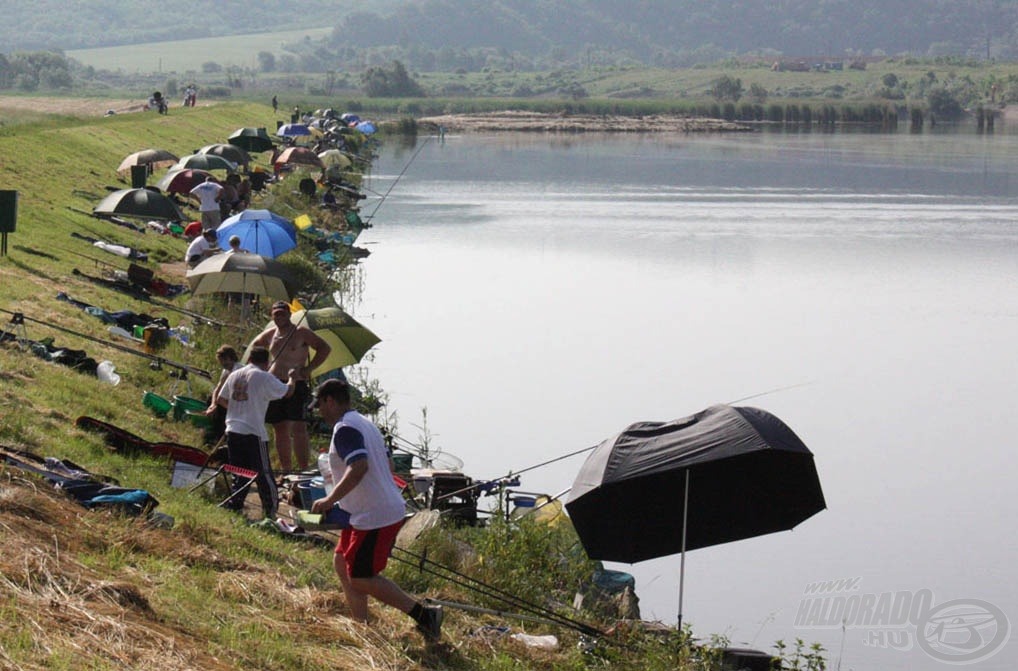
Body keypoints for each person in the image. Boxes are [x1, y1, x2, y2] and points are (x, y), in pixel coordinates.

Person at [310, 379, 443, 642]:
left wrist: (329, 500)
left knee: (360, 577)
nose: (319, 412)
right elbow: (389, 464)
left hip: (376, 516)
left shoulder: (345, 428)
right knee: (341, 561)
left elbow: (358, 466)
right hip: (364, 512)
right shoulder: (364, 423)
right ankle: (362, 625)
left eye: (320, 406)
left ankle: (425, 615)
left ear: (330, 401)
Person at [248, 301, 332, 472]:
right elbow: (255, 345)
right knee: (280, 428)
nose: (279, 317)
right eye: (276, 314)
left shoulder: (301, 332)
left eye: (282, 313)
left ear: (289, 314)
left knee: (298, 427)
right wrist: (264, 366)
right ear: (272, 316)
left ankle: (302, 470)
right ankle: (286, 470)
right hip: (275, 383)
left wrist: (309, 369)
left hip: (297, 382)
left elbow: (324, 348)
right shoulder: (271, 334)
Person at [217, 346, 296, 519]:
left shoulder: (234, 374)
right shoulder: (264, 377)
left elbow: (220, 399)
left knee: (240, 472)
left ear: (249, 359)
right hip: (253, 432)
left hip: (233, 429)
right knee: (264, 474)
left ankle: (234, 506)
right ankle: (271, 511)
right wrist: (292, 378)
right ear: (266, 362)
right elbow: (287, 392)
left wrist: (238, 411)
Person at [204, 345, 242, 445]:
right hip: (225, 399)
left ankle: (220, 436)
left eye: (224, 360)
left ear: (230, 358)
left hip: (236, 402)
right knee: (210, 399)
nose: (222, 364)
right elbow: (218, 388)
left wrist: (217, 405)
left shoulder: (238, 370)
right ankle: (215, 432)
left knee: (220, 410)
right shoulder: (226, 370)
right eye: (220, 361)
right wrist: (213, 404)